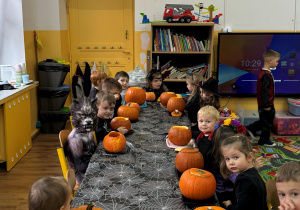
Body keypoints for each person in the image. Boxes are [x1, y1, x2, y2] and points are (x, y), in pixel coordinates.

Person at [220, 134, 268, 210]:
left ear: (249, 157)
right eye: (227, 159)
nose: (231, 162)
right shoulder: (253, 173)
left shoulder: (244, 180)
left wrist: (229, 206)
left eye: (235, 157)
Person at [246, 49, 280, 146]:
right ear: (270, 61)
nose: (277, 63)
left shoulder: (265, 73)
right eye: (276, 61)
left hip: (267, 103)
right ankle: (264, 141)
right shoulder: (265, 75)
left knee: (265, 121)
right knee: (267, 123)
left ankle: (251, 128)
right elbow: (264, 91)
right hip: (266, 104)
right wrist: (266, 105)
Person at [192, 105, 219, 172]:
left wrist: (193, 148)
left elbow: (203, 155)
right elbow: (193, 133)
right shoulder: (203, 133)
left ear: (216, 123)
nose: (204, 124)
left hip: (207, 170)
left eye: (208, 121)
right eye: (201, 121)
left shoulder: (212, 139)